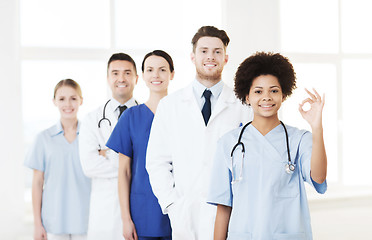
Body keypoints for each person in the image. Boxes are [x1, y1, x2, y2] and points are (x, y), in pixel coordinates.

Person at [145, 26, 253, 240]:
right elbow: (156, 162)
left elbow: (251, 161)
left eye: (217, 51)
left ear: (226, 58)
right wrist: (172, 205)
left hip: (230, 215)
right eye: (204, 51)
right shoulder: (170, 105)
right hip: (185, 214)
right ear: (193, 57)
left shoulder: (243, 106)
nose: (210, 56)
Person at [208, 52, 327, 240]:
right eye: (258, 91)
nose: (266, 97)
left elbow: (319, 178)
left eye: (274, 90)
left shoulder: (299, 139)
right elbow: (223, 206)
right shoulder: (229, 143)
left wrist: (316, 127)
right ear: (246, 97)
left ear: (283, 94)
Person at [107, 50, 174, 240]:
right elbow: (124, 172)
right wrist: (126, 219)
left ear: (172, 74)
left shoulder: (181, 115)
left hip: (177, 209)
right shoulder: (131, 117)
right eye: (150, 70)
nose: (156, 75)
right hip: (142, 212)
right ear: (142, 76)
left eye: (162, 69)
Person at [79, 53, 138, 240]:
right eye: (115, 73)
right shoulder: (92, 119)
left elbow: (153, 163)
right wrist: (130, 163)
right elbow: (89, 165)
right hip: (104, 212)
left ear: (136, 78)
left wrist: (107, 153)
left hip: (138, 206)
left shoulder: (147, 116)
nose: (121, 78)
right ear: (107, 79)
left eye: (127, 73)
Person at [25, 79, 91, 240]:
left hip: (86, 219)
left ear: (81, 101)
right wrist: (37, 224)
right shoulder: (43, 138)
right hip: (53, 221)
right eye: (62, 99)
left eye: (73, 98)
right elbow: (37, 183)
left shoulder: (90, 136)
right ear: (54, 101)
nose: (68, 104)